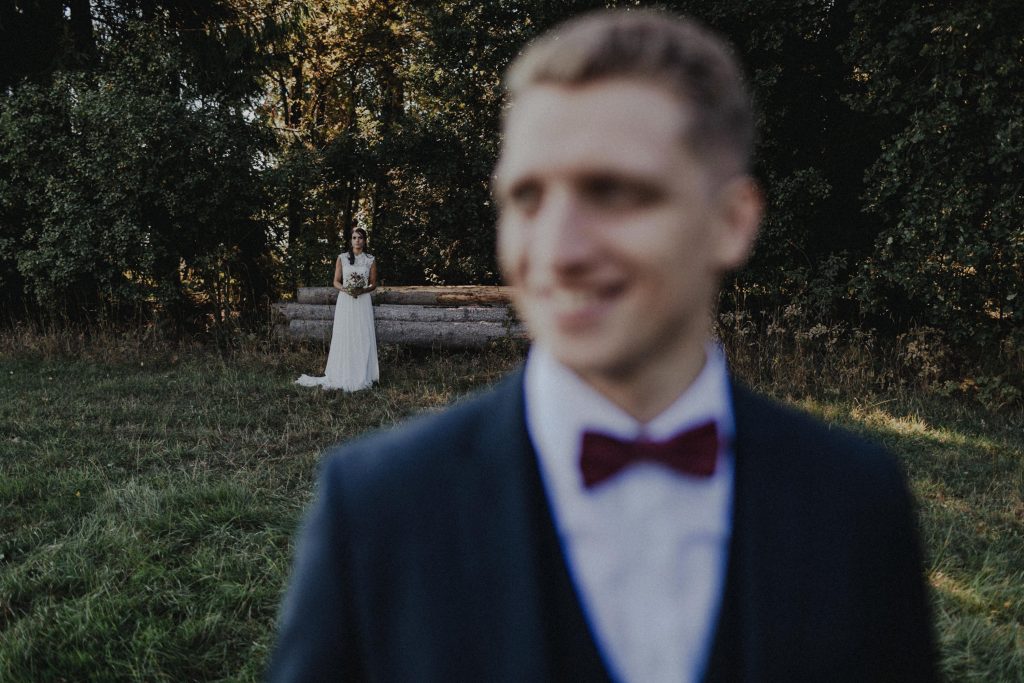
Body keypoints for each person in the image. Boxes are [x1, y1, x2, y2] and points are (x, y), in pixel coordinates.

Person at [270, 9, 937, 682]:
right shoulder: (377, 509)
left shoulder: (857, 503)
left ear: (731, 222)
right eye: (527, 197)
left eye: (612, 191)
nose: (558, 252)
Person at [296, 228, 379, 392]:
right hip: (346, 300)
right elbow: (336, 281)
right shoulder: (342, 258)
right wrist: (346, 289)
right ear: (350, 240)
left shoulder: (370, 259)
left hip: (362, 300)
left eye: (360, 238)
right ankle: (343, 371)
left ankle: (363, 373)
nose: (357, 241)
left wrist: (362, 290)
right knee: (345, 334)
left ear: (364, 240)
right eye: (354, 237)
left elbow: (373, 283)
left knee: (362, 334)